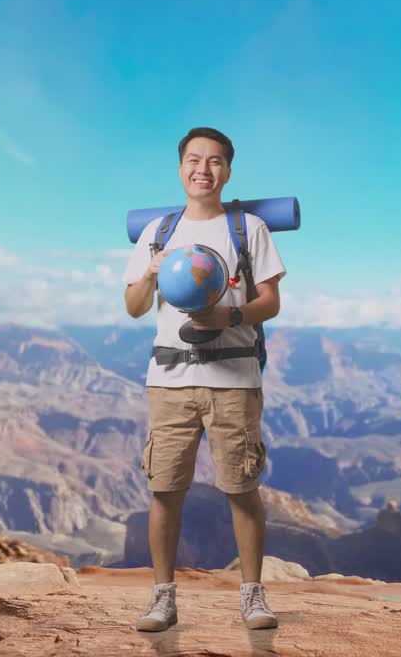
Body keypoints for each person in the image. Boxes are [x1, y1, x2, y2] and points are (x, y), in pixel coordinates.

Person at [122, 126, 286, 632]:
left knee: (241, 487)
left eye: (215, 161)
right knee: (165, 489)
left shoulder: (248, 229)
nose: (203, 169)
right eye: (194, 160)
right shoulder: (158, 232)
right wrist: (151, 274)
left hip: (234, 379)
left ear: (228, 171)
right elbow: (133, 307)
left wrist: (230, 316)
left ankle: (252, 596)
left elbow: (271, 301)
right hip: (169, 380)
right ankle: (162, 599)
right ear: (180, 169)